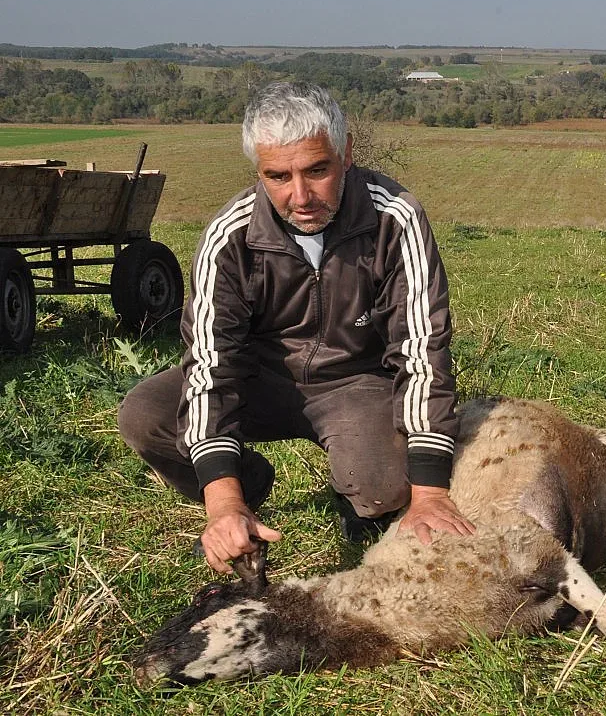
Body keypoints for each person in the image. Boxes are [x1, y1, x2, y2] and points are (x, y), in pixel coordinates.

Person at [118, 81, 474, 574]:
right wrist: (223, 501)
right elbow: (211, 366)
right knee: (146, 414)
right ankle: (244, 486)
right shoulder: (230, 236)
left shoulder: (395, 219)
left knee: (385, 483)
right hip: (259, 380)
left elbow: (422, 350)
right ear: (258, 171)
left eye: (317, 170)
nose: (300, 196)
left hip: (354, 382)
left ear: (346, 154)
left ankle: (360, 501)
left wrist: (430, 493)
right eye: (278, 176)